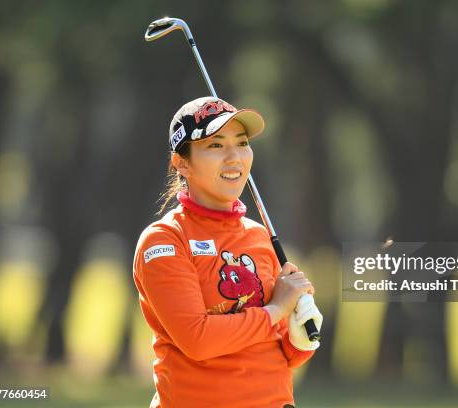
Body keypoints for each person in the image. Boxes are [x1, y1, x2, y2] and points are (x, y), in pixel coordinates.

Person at [132, 96, 323, 408]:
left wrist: (300, 332)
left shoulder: (259, 236)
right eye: (216, 145)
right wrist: (275, 309)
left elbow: (278, 351)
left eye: (242, 142)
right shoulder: (164, 241)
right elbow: (198, 339)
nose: (235, 157)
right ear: (181, 162)